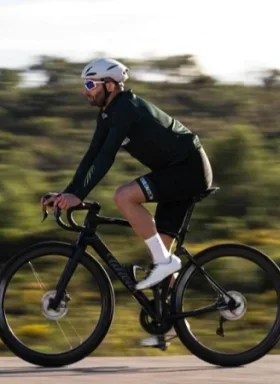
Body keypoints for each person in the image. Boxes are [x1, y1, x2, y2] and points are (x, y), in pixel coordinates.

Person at [40, 58, 213, 347]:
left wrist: (78, 196)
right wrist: (67, 192)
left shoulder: (125, 109)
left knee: (124, 196)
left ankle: (165, 263)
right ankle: (169, 326)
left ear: (109, 85)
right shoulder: (108, 114)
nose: (85, 92)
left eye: (89, 85)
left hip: (188, 169)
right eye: (85, 85)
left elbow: (106, 157)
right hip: (176, 172)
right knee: (159, 250)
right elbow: (91, 157)